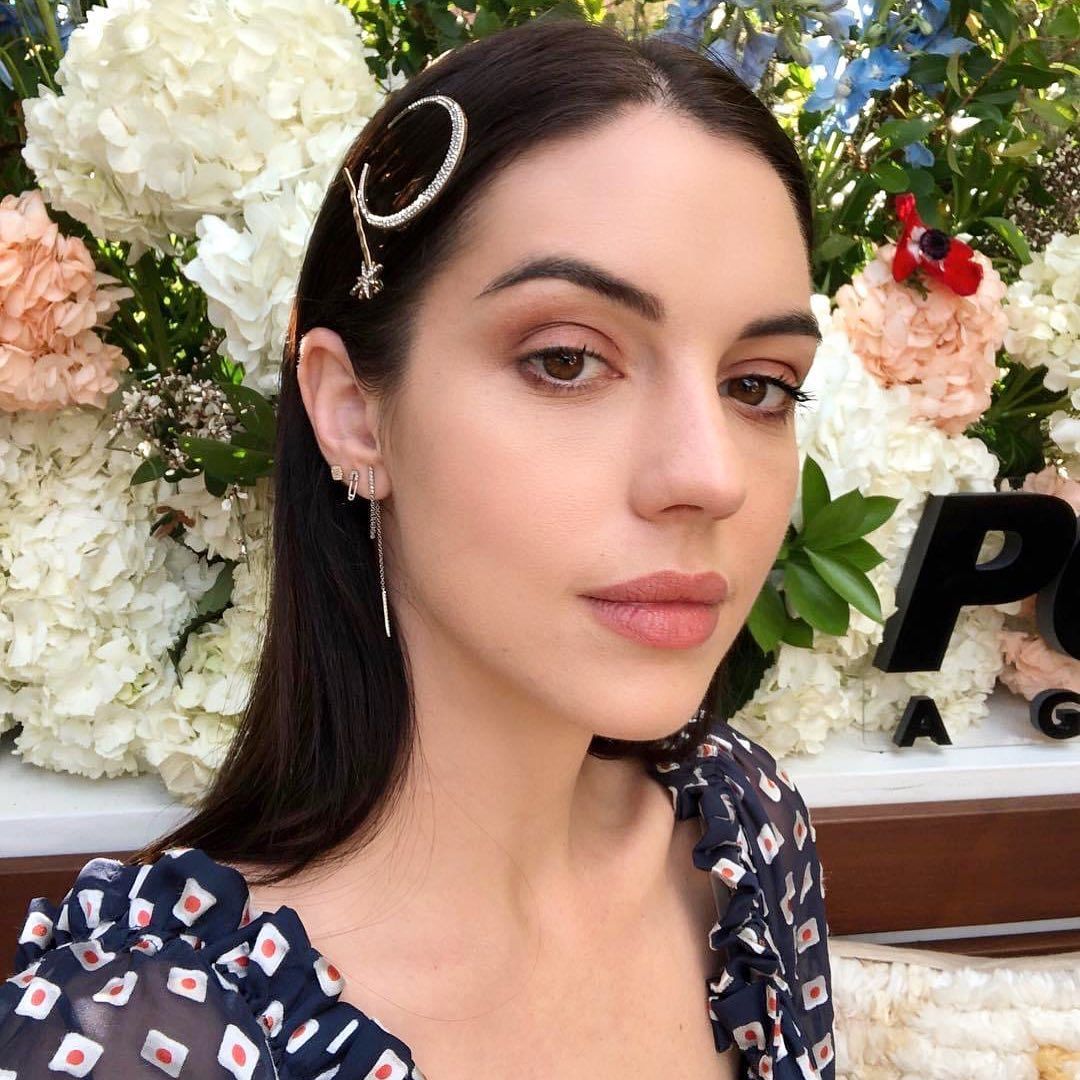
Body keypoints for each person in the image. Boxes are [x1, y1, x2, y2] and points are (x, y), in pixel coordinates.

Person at [0, 14, 835, 1079]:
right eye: (568, 360)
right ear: (354, 414)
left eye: (758, 385)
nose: (711, 476)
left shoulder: (740, 836)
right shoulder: (150, 1037)